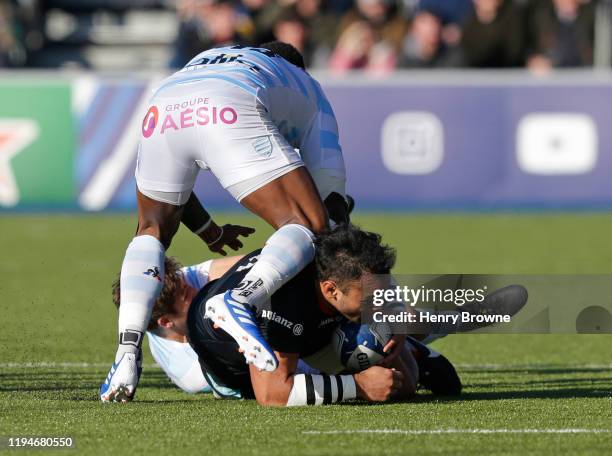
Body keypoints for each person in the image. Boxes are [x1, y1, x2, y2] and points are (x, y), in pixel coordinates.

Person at [100, 41, 360, 403]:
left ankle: (127, 350)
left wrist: (209, 230)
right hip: (228, 100)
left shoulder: (219, 56)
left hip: (164, 102)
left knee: (151, 231)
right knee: (312, 225)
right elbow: (333, 212)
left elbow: (178, 187)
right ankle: (238, 298)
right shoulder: (308, 90)